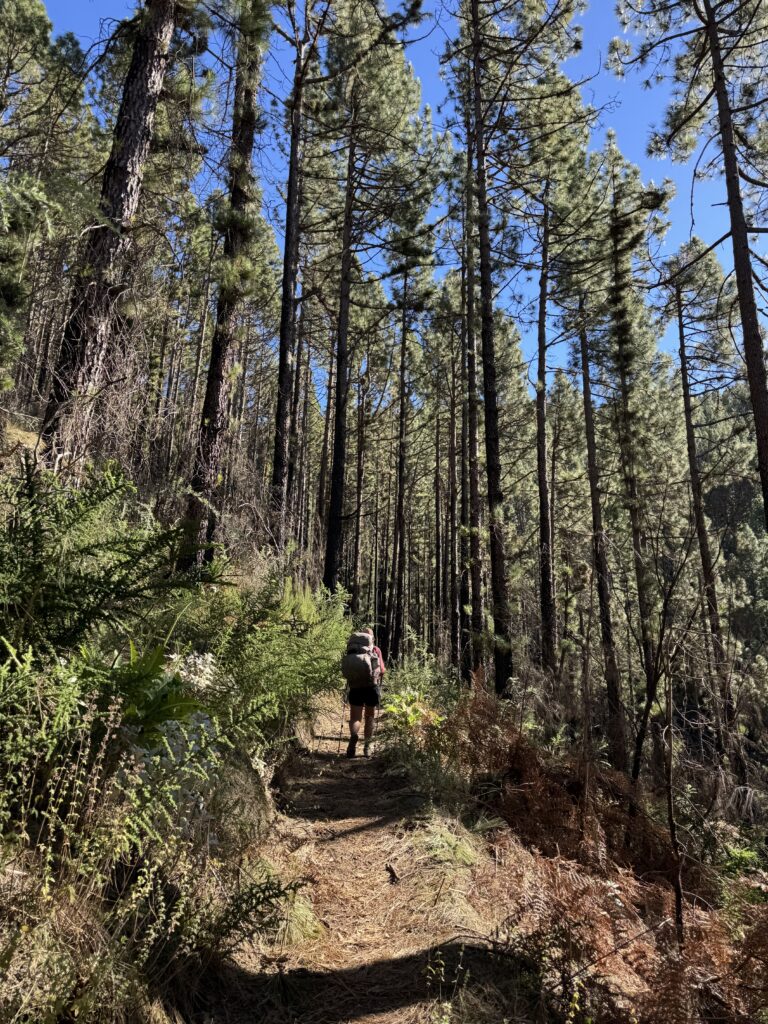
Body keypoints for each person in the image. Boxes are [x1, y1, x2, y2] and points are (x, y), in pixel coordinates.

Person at [346, 627, 386, 758]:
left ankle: (353, 737)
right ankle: (368, 746)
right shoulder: (376, 650)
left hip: (355, 686)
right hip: (371, 687)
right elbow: (382, 670)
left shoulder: (352, 648)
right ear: (372, 638)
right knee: (369, 716)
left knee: (355, 718)